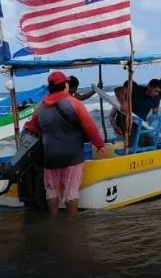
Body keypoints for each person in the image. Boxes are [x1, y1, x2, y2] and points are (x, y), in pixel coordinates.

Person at [30, 71, 105, 215]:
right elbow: (89, 126)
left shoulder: (40, 106)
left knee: (51, 190)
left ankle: (53, 219)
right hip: (72, 156)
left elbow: (33, 127)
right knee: (71, 190)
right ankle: (72, 221)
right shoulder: (74, 103)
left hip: (50, 156)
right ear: (65, 84)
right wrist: (99, 144)